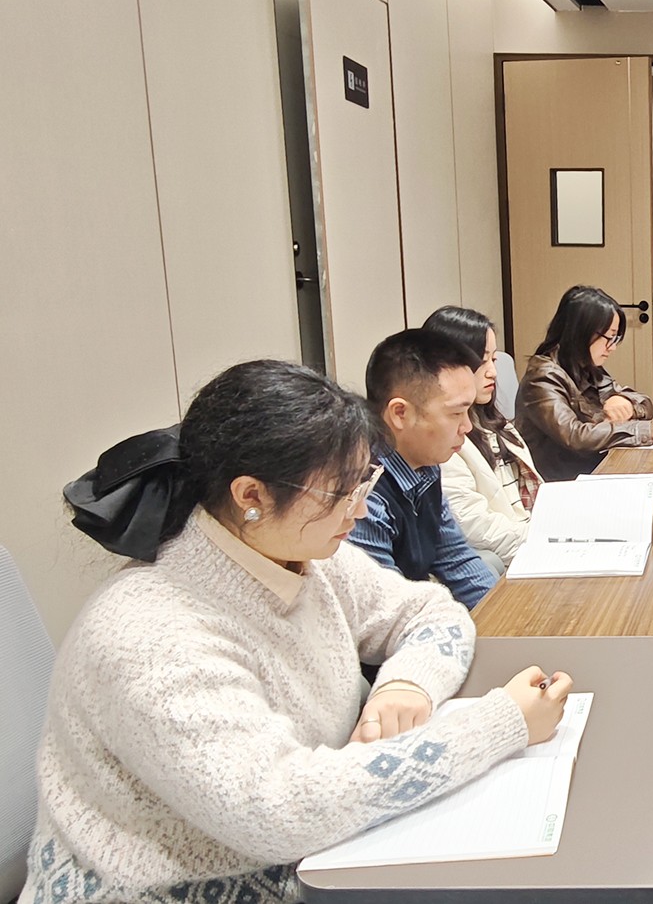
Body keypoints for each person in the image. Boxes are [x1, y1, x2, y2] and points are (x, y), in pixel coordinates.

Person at [31, 360, 572, 902]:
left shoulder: (297, 554)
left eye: (364, 481)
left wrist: (408, 685)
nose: (360, 510)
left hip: (324, 859)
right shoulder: (152, 637)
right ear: (252, 496)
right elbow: (278, 811)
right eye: (341, 493)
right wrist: (499, 725)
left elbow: (430, 611)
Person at [349, 328, 500, 608]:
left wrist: (505, 616)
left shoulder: (424, 465)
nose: (467, 427)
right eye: (456, 413)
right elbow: (389, 609)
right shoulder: (364, 494)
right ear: (400, 413)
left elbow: (456, 558)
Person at [516, 285, 653, 481]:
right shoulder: (542, 377)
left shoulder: (586, 366)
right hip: (562, 482)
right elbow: (575, 436)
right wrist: (650, 431)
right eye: (609, 338)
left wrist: (626, 402)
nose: (612, 347)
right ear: (581, 332)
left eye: (615, 339)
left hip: (595, 467)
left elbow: (645, 402)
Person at [422, 306, 543, 569]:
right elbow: (474, 525)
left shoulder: (495, 422)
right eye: (481, 361)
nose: (493, 372)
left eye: (494, 360)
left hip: (533, 538)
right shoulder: (441, 440)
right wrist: (547, 541)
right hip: (518, 556)